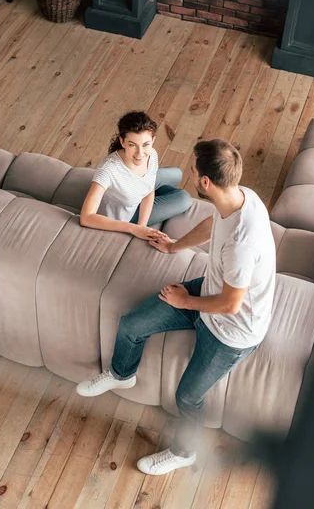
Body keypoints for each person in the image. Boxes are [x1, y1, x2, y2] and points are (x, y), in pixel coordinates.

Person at [77, 139, 276, 476]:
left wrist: (186, 302)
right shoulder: (239, 198)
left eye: (194, 172)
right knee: (131, 325)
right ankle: (121, 374)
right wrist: (174, 248)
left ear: (206, 183)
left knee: (187, 396)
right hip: (210, 291)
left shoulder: (244, 242)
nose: (190, 176)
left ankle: (185, 453)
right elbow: (212, 224)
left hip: (232, 331)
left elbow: (230, 304)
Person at [80, 111, 192, 240]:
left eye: (146, 144)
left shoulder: (151, 155)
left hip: (140, 192)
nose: (140, 154)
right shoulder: (108, 170)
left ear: (153, 140)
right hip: (126, 215)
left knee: (177, 174)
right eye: (132, 145)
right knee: (184, 198)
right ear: (122, 142)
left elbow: (149, 189)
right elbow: (86, 217)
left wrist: (142, 226)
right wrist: (134, 228)